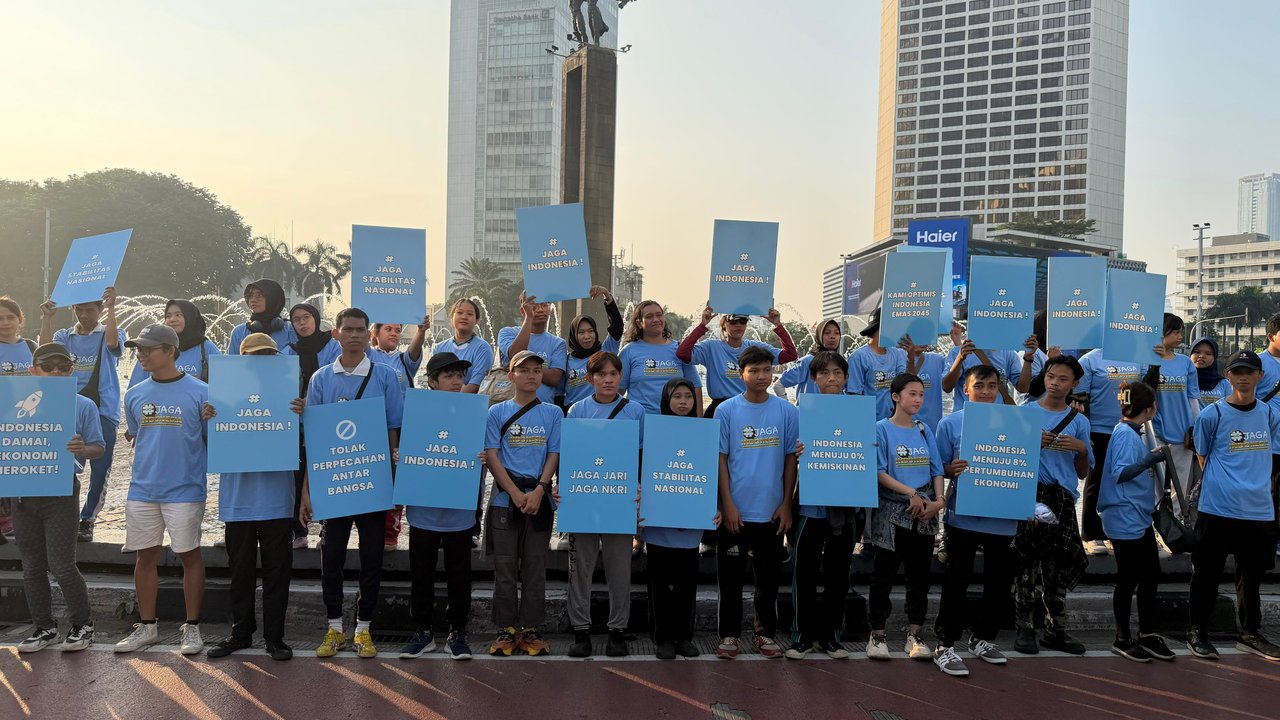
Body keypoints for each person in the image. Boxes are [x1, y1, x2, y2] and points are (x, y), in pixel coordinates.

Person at [299, 308, 404, 659]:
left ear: (368, 334)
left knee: (372, 559)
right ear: (336, 334)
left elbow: (393, 429)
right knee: (332, 557)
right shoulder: (321, 379)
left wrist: (392, 477)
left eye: (361, 329)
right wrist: (307, 490)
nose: (355, 335)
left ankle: (363, 629)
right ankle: (333, 629)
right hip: (336, 483)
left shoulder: (386, 376)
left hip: (372, 482)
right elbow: (314, 438)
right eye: (348, 329)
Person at [203, 333, 305, 662]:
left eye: (269, 356)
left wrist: (303, 414)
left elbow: (306, 442)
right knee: (240, 573)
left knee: (278, 573)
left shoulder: (290, 396)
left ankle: (275, 637)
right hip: (238, 501)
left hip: (277, 499)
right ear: (243, 360)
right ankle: (241, 632)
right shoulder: (224, 395)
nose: (263, 362)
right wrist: (208, 420)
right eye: (256, 357)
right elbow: (210, 445)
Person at [112, 325, 211, 655]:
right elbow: (137, 436)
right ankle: (148, 626)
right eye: (138, 349)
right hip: (143, 489)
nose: (141, 354)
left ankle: (192, 628)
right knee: (145, 557)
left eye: (148, 348)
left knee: (189, 555)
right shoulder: (135, 394)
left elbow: (212, 440)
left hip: (185, 489)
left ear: (170, 351)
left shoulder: (200, 392)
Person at [1187, 350, 1280, 661]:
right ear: (1227, 376)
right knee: (1207, 575)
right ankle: (1197, 631)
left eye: (1249, 371)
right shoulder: (1211, 415)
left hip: (1258, 511)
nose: (1243, 376)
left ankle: (1250, 632)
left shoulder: (1270, 414)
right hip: (1217, 509)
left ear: (1259, 376)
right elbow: (1202, 455)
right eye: (1236, 371)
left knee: (1251, 578)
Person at [14, 343, 105, 653]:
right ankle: (44, 627)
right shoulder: (11, 400)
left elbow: (99, 448)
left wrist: (83, 449)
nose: (54, 371)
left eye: (61, 366)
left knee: (62, 565)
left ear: (71, 371)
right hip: (23, 493)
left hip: (61, 491)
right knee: (32, 567)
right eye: (47, 365)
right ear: (32, 370)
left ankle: (84, 624)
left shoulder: (82, 405)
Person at [930, 364, 1015, 677]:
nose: (986, 392)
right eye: (979, 386)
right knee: (957, 580)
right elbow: (937, 468)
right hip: (963, 514)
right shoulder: (951, 424)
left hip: (1003, 515)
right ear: (965, 389)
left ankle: (983, 638)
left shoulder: (1015, 423)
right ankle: (945, 644)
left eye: (992, 386)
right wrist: (951, 470)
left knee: (999, 580)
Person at [714, 345, 798, 660]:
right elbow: (720, 460)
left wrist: (786, 504)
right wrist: (728, 505)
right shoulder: (726, 411)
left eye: (767, 369)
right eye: (755, 371)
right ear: (742, 374)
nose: (762, 376)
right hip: (736, 511)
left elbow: (791, 458)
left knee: (768, 580)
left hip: (772, 511)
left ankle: (764, 634)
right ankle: (729, 635)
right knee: (731, 579)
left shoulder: (787, 411)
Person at [399, 351, 480, 661]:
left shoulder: (474, 412)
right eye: (449, 376)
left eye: (460, 376)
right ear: (431, 381)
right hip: (423, 512)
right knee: (421, 573)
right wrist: (401, 456)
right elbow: (409, 447)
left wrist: (484, 457)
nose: (457, 382)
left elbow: (484, 449)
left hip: (459, 513)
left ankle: (457, 632)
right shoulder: (417, 411)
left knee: (460, 575)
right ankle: (423, 631)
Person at [565, 350, 647, 658]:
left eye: (613, 374)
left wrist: (640, 489)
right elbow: (571, 456)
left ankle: (617, 630)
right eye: (601, 375)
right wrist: (564, 489)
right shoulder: (576, 410)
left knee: (619, 569)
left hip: (619, 498)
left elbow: (640, 456)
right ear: (590, 379)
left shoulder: (635, 411)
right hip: (585, 496)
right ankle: (581, 630)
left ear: (621, 377)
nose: (608, 380)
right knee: (580, 569)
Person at [1012, 356, 1094, 656]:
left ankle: (1055, 629)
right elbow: (1010, 458)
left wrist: (1081, 449)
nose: (1054, 383)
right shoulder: (1026, 414)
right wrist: (1031, 442)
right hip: (1029, 495)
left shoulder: (1081, 422)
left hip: (1062, 499)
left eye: (1062, 379)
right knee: (1026, 566)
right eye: (1050, 376)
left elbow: (1083, 472)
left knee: (1056, 568)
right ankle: (1024, 629)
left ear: (1074, 384)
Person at [484, 350, 562, 657]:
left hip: (539, 499)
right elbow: (491, 454)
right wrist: (515, 493)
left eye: (537, 370)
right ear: (511, 375)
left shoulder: (553, 413)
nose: (531, 375)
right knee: (504, 567)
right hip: (506, 500)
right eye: (524, 370)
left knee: (535, 567)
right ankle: (506, 630)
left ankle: (530, 629)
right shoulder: (497, 412)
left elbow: (554, 454)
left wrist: (540, 490)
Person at [866, 373, 945, 662]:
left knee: (919, 577)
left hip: (924, 514)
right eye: (912, 394)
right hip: (892, 514)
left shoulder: (925, 430)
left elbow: (937, 469)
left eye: (921, 395)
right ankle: (877, 634)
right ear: (895, 397)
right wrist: (911, 493)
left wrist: (938, 502)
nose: (918, 400)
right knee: (883, 576)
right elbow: (878, 471)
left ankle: (915, 634)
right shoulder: (880, 430)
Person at [786, 351, 859, 661]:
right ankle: (802, 636)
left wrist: (866, 447)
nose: (831, 378)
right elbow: (788, 460)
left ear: (845, 378)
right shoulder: (800, 413)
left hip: (845, 505)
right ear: (813, 379)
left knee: (839, 574)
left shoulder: (859, 412)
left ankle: (830, 637)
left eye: (837, 373)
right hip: (811, 507)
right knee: (804, 572)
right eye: (824, 373)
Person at [1097, 380, 1176, 663]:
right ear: (1151, 407)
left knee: (1150, 574)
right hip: (1124, 514)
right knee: (1129, 577)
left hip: (1136, 515)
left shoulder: (1132, 431)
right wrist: (1152, 459)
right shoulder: (1125, 434)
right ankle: (1122, 637)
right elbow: (1121, 472)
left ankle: (1146, 633)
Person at [39, 288, 126, 543]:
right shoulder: (64, 335)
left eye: (90, 309)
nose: (85, 315)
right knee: (61, 463)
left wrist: (112, 308)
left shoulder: (111, 332)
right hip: (66, 407)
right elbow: (45, 352)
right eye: (80, 309)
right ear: (73, 310)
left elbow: (113, 345)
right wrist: (47, 318)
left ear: (99, 310)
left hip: (102, 409)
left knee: (100, 467)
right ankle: (59, 516)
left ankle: (87, 519)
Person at [646, 378, 712, 660]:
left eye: (688, 396)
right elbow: (648, 472)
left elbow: (708, 473)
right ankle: (663, 638)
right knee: (659, 584)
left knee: (686, 585)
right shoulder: (654, 430)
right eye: (676, 396)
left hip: (690, 526)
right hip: (659, 526)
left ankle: (684, 637)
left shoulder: (703, 432)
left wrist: (713, 506)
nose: (683, 401)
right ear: (666, 400)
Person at [368, 317, 430, 551]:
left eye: (397, 330)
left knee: (398, 479)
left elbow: (415, 351)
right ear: (375, 332)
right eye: (388, 329)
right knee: (376, 478)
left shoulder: (404, 360)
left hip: (404, 428)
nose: (393, 334)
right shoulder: (369, 356)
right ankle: (373, 528)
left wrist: (421, 331)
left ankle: (391, 531)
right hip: (373, 426)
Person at [282, 302, 340, 549]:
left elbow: (338, 381)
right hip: (296, 426)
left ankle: (327, 529)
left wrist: (313, 401)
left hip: (326, 423)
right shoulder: (287, 352)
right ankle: (299, 531)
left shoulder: (333, 347)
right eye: (296, 319)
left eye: (306, 317)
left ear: (316, 319)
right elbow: (279, 387)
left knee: (327, 474)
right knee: (296, 477)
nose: (302, 323)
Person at [1077, 348, 1146, 556]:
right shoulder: (1089, 360)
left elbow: (1146, 388)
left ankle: (1118, 531)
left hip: (1129, 428)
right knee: (1096, 479)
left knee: (1125, 482)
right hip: (1099, 429)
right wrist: (1085, 430)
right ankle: (1093, 534)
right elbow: (1081, 398)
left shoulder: (1137, 356)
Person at [677, 305, 797, 417]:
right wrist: (702, 325)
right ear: (724, 324)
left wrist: (778, 325)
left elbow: (790, 355)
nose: (738, 325)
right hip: (719, 408)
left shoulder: (755, 347)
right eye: (734, 322)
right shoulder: (711, 347)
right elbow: (682, 354)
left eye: (743, 321)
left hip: (749, 407)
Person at [1145, 314, 1199, 504]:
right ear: (1161, 333)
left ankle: (1176, 525)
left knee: (1180, 485)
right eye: (1175, 331)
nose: (1180, 336)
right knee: (1154, 483)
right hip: (1154, 432)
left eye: (1181, 332)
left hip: (1182, 432)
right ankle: (1157, 525)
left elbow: (1192, 398)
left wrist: (1194, 429)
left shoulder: (1185, 362)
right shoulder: (1146, 362)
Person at [619, 300, 703, 414]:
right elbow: (618, 390)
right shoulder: (628, 351)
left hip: (673, 420)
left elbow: (696, 386)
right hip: (640, 419)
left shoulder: (679, 349)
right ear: (639, 323)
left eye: (659, 315)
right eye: (649, 316)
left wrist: (699, 421)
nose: (656, 319)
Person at [127, 300, 221, 388]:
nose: (172, 319)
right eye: (168, 316)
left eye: (178, 315)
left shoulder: (205, 348)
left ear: (190, 317)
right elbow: (136, 387)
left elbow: (223, 383)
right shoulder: (152, 348)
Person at [498, 292, 567, 406]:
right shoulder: (508, 332)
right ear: (522, 311)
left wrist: (522, 368)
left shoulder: (558, 343)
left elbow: (554, 378)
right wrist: (529, 317)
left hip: (543, 408)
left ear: (549, 310)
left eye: (544, 305)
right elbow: (516, 354)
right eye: (534, 306)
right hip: (512, 409)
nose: (540, 310)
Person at [563, 286, 624, 409]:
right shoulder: (567, 360)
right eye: (581, 332)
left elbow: (617, 326)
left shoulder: (605, 350)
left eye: (590, 331)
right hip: (576, 416)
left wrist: (607, 296)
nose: (587, 336)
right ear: (574, 335)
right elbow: (559, 393)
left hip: (604, 412)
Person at [848, 308, 908, 420]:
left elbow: (904, 383)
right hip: (869, 421)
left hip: (892, 421)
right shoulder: (859, 357)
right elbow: (854, 395)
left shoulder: (898, 354)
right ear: (881, 328)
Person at [900, 321, 962, 430]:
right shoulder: (897, 359)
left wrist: (957, 343)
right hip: (906, 427)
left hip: (932, 428)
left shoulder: (937, 359)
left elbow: (958, 368)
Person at [434, 298, 493, 394]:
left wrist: (453, 402)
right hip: (441, 401)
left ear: (477, 320)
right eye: (459, 313)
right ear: (451, 318)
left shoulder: (482, 348)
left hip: (468, 403)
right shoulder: (439, 348)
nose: (464, 317)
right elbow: (434, 381)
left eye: (470, 314)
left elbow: (475, 384)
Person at [776, 318, 844, 397]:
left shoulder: (841, 363)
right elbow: (778, 385)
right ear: (819, 336)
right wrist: (788, 408)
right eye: (827, 333)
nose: (832, 336)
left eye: (836, 333)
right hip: (808, 409)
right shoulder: (808, 361)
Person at [228, 279, 296, 356]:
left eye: (259, 295)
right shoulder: (239, 332)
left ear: (272, 298)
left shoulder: (290, 329)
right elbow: (232, 364)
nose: (253, 300)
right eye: (250, 296)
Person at [1190, 337, 1231, 407]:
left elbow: (1230, 407)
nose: (1201, 356)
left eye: (1208, 353)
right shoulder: (1185, 380)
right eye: (1197, 352)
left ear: (1214, 357)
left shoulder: (1223, 383)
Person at [0, 296, 35, 376]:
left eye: (10, 317)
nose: (5, 322)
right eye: (0, 319)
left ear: (19, 319)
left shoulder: (31, 346)